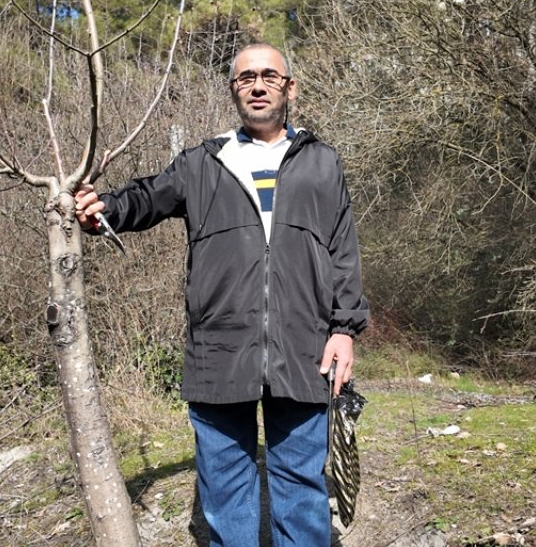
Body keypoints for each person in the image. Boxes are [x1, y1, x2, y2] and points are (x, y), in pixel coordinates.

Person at [75, 43, 369, 546]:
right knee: (225, 484)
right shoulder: (203, 162)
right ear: (233, 90)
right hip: (219, 349)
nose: (258, 85)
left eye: (270, 76)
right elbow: (146, 197)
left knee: (300, 483)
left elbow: (343, 252)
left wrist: (344, 329)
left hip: (304, 348)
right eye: (245, 78)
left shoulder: (323, 163)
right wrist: (102, 208)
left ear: (289, 87)